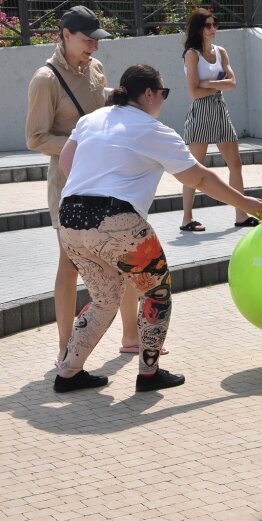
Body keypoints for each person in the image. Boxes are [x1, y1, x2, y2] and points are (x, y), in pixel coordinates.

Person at [53, 64, 262, 393]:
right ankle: (149, 373)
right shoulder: (153, 130)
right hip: (115, 218)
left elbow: (68, 163)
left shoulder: (91, 119)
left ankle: (68, 372)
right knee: (156, 291)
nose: (164, 100)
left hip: (70, 218)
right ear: (149, 93)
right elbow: (200, 178)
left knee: (104, 298)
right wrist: (244, 203)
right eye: (163, 93)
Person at [25, 5, 143, 363]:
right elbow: (35, 137)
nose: (95, 45)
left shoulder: (95, 69)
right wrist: (81, 144)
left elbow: (96, 112)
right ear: (63, 34)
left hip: (106, 179)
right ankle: (65, 347)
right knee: (69, 262)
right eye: (87, 39)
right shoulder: (45, 79)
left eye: (97, 39)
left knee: (122, 254)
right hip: (68, 183)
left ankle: (130, 336)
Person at [179, 8, 257, 232]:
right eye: (208, 25)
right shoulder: (192, 54)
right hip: (201, 111)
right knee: (194, 168)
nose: (213, 29)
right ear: (199, 28)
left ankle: (240, 215)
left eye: (215, 24)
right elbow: (193, 93)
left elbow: (232, 83)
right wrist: (216, 85)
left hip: (219, 108)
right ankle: (186, 218)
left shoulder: (221, 51)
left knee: (235, 164)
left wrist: (208, 84)